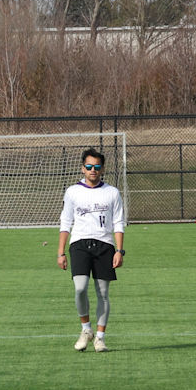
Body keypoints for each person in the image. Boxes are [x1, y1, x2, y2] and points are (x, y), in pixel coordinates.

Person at [57, 147, 126, 353]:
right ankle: (86, 329)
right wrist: (60, 252)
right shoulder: (73, 191)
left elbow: (118, 222)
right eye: (89, 166)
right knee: (80, 288)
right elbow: (65, 222)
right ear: (82, 168)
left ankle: (100, 338)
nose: (92, 170)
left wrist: (119, 250)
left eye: (96, 167)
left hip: (105, 245)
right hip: (79, 244)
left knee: (103, 293)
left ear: (102, 169)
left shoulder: (112, 192)